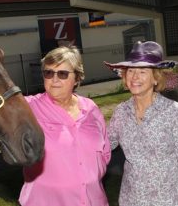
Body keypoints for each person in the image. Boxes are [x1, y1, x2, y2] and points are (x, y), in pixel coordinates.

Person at [104, 41, 178, 206]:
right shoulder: (121, 112)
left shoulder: (175, 112)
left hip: (167, 200)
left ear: (156, 78)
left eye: (142, 71)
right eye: (130, 71)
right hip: (130, 200)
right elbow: (104, 145)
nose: (135, 77)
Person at [18, 45, 111, 206]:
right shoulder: (27, 108)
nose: (54, 79)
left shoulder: (91, 108)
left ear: (77, 78)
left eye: (62, 74)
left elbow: (105, 152)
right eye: (48, 73)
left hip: (94, 200)